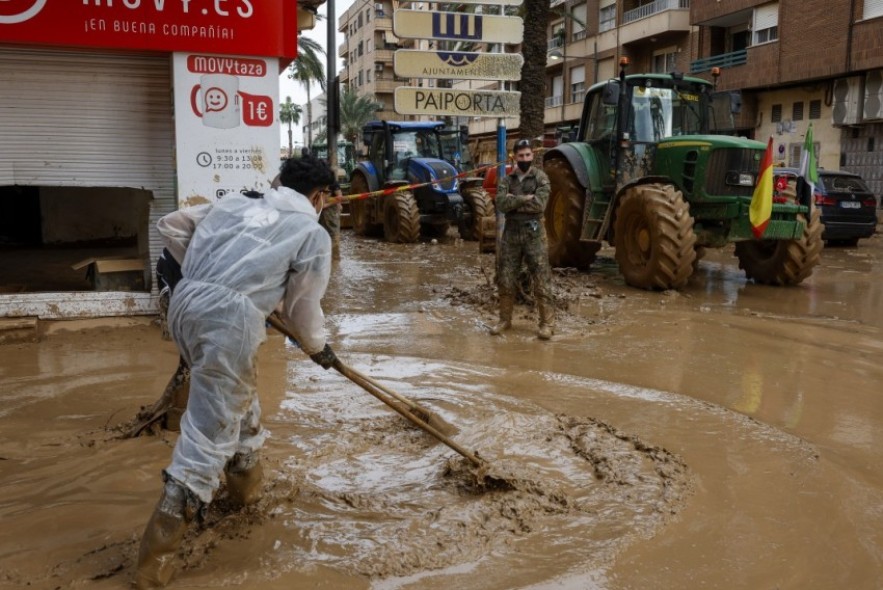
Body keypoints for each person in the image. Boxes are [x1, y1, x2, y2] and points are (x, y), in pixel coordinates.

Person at [135, 155, 338, 589]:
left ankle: (245, 497)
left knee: (238, 402)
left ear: (280, 181)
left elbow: (171, 225)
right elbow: (304, 308)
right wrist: (318, 348)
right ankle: (154, 563)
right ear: (318, 197)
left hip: (185, 304)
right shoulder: (310, 232)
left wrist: (211, 275)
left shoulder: (232, 203)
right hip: (229, 320)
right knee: (208, 436)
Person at [490, 139, 555, 340]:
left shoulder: (541, 178)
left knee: (541, 278)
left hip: (534, 234)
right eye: (521, 156)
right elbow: (500, 203)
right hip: (511, 234)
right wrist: (524, 199)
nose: (525, 159)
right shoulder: (507, 180)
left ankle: (547, 324)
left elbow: (539, 205)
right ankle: (505, 320)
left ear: (532, 156)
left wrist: (514, 201)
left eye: (528, 155)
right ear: (515, 157)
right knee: (506, 277)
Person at [318, 181, 343, 260]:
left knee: (333, 235)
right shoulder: (317, 183)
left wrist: (336, 202)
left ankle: (334, 259)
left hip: (330, 211)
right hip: (321, 211)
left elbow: (339, 196)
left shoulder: (331, 183)